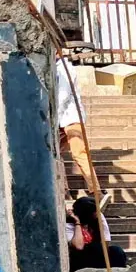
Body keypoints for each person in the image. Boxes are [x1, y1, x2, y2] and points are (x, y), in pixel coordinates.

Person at [55, 55, 100, 202]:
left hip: (71, 117)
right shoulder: (55, 68)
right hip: (63, 120)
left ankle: (96, 190)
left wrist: (54, 117)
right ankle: (64, 191)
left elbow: (63, 96)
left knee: (79, 153)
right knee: (55, 154)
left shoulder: (64, 68)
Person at [67, 196, 126, 272]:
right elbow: (79, 246)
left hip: (98, 255)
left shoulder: (98, 217)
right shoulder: (69, 225)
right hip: (80, 260)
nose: (97, 215)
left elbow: (105, 242)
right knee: (95, 248)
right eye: (94, 214)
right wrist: (77, 223)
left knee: (116, 251)